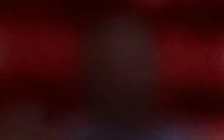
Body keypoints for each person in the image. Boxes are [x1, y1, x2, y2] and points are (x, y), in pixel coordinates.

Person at [64, 13, 193, 140]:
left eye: (134, 64)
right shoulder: (65, 135)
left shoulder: (183, 137)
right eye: (112, 66)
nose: (126, 80)